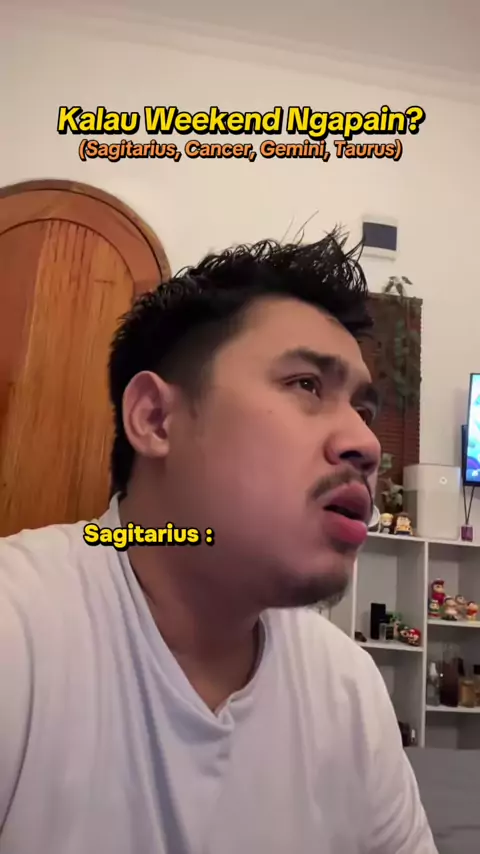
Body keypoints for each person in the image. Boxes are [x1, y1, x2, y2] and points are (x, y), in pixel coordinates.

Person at [0, 229, 437, 854]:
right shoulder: (19, 634)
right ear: (156, 419)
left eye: (363, 412)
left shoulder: (347, 689)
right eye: (307, 385)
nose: (366, 445)